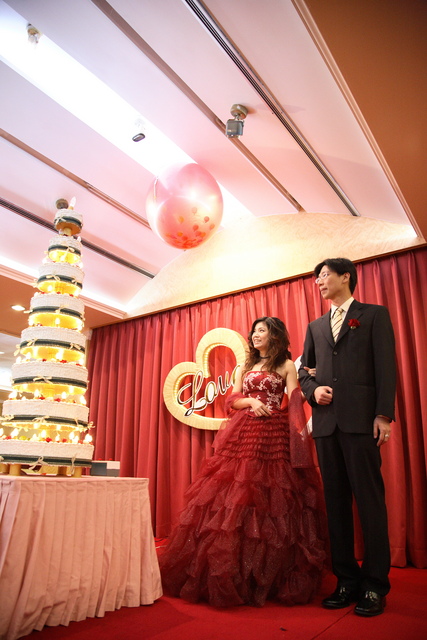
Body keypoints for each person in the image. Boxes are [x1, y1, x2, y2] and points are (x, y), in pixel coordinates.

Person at [160, 316, 328, 607]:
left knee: (274, 496)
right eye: (254, 331)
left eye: (261, 331)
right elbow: (231, 400)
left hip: (274, 435)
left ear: (275, 335)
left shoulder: (287, 365)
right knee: (236, 492)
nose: (255, 335)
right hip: (244, 431)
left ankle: (271, 573)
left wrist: (304, 410)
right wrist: (250, 401)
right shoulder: (246, 366)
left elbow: (295, 400)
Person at [298, 258, 396, 617]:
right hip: (326, 426)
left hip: (361, 422)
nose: (319, 282)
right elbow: (304, 371)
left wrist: (383, 414)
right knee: (336, 504)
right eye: (317, 278)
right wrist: (313, 390)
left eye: (324, 275)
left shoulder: (373, 315)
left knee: (370, 503)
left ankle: (375, 585)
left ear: (346, 277)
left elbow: (386, 366)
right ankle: (346, 580)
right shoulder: (315, 326)